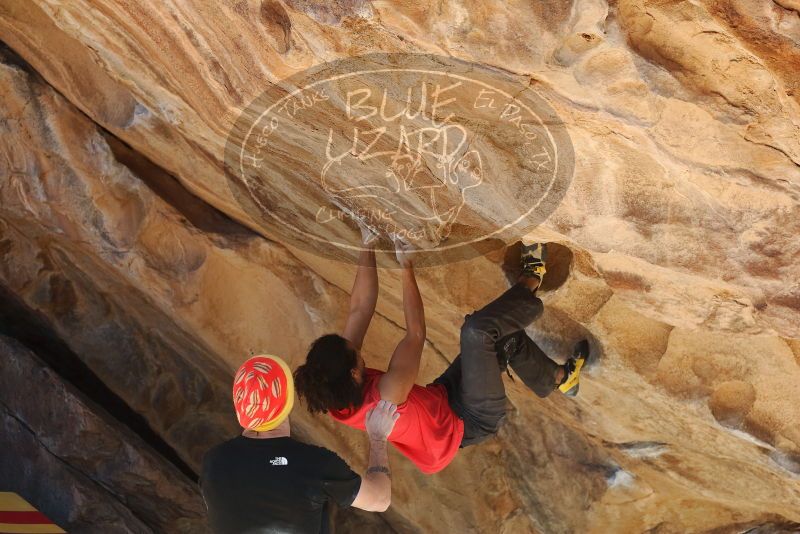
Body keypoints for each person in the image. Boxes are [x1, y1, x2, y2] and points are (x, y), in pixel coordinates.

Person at [294, 231, 588, 475]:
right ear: (354, 373)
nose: (356, 346)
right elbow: (416, 333)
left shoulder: (334, 388)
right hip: (472, 419)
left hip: (443, 400)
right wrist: (406, 266)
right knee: (478, 331)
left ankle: (562, 378)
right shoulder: (387, 396)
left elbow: (360, 307)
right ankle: (533, 276)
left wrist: (367, 241)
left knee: (503, 339)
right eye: (354, 353)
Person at [200, 354, 400, 534]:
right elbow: (379, 499)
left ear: (239, 402)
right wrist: (378, 437)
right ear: (286, 401)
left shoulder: (213, 463)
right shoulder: (314, 464)